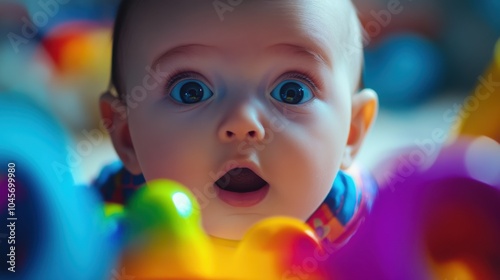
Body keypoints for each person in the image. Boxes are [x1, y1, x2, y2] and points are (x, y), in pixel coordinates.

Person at [95, 0, 379, 243]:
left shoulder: (355, 222)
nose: (243, 123)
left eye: (292, 92)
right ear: (127, 135)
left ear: (351, 133)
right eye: (190, 91)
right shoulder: (117, 215)